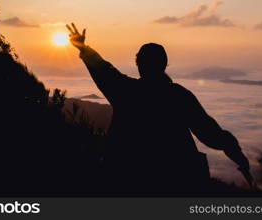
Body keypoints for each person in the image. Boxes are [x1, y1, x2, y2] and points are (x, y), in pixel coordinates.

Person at [67, 23, 252, 195]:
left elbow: (102, 69)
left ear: (138, 63)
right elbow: (212, 134)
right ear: (164, 65)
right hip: (176, 182)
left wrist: (83, 48)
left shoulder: (125, 91)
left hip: (128, 180)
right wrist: (240, 158)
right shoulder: (179, 96)